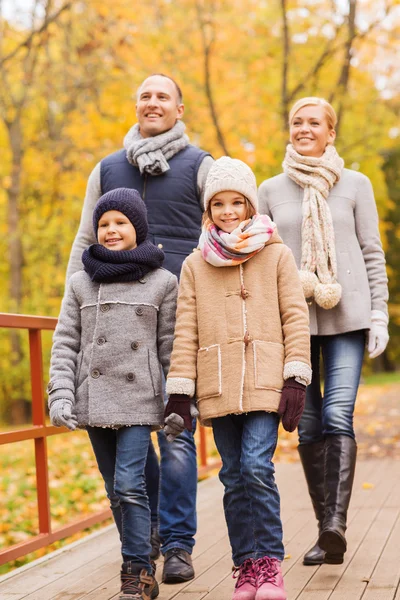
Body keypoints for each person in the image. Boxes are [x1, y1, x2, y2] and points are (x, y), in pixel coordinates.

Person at [65, 73, 214, 582]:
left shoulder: (200, 164)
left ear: (179, 107)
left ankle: (176, 544)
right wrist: (76, 300)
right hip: (115, 311)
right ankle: (145, 530)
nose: (153, 103)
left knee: (175, 433)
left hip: (179, 312)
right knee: (133, 441)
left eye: (162, 96)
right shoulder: (107, 168)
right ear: (137, 106)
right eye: (145, 95)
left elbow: (219, 230)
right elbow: (86, 239)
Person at [164, 157, 312, 600]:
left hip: (267, 379)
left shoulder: (277, 254)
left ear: (250, 206)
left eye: (237, 203)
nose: (229, 211)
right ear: (208, 210)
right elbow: (185, 329)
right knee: (232, 475)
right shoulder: (194, 264)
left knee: (255, 467)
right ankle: (246, 567)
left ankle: (269, 563)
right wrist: (179, 393)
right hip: (218, 383)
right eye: (219, 204)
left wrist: (296, 378)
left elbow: (295, 317)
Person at [258, 97, 389, 566]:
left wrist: (379, 314)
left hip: (347, 316)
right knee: (307, 423)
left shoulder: (356, 184)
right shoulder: (270, 189)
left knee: (337, 414)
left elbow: (372, 251)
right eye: (297, 121)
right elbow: (258, 259)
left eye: (315, 122)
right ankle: (324, 531)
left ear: (330, 132)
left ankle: (336, 523)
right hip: (291, 321)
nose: (305, 128)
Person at [48, 188, 178, 600]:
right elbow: (65, 343)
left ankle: (137, 572)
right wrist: (60, 395)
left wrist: (179, 400)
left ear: (137, 228)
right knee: (113, 489)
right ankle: (142, 550)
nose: (111, 230)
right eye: (104, 224)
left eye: (120, 222)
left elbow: (170, 346)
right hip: (94, 399)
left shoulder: (163, 282)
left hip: (140, 400)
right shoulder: (81, 283)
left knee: (128, 485)